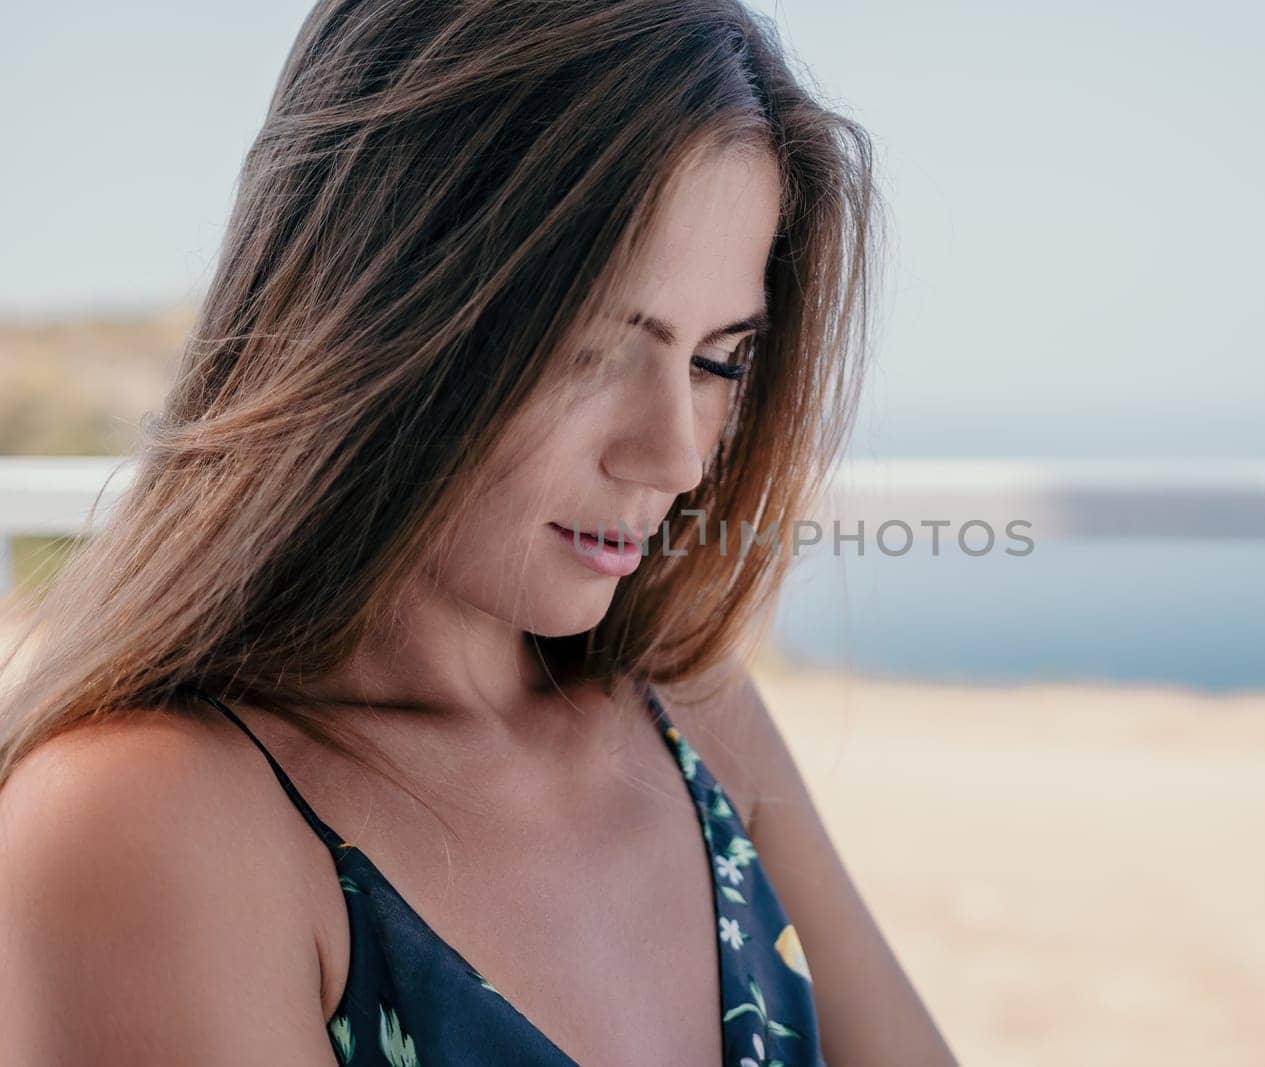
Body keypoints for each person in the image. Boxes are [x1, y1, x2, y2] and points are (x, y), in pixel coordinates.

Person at [0, 1, 958, 1063]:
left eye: (717, 360)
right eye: (591, 345)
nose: (676, 456)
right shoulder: (146, 821)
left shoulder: (693, 714)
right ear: (376, 308)